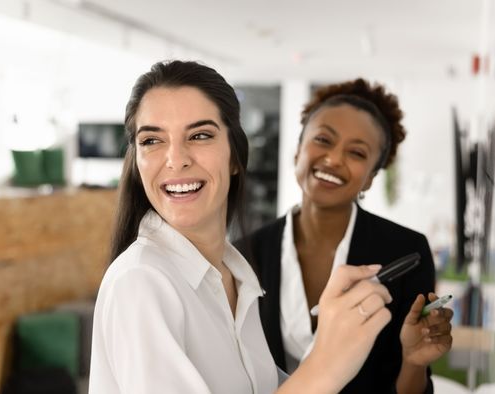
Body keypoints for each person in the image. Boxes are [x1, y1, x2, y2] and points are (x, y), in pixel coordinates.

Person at [88, 60, 394, 394]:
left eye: (200, 135)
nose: (176, 159)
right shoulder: (142, 281)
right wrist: (326, 364)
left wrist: (334, 334)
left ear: (235, 157)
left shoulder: (235, 276)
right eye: (151, 141)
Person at [236, 79, 453, 393]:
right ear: (298, 151)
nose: (334, 159)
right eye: (323, 140)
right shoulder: (246, 253)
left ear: (370, 179)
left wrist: (414, 360)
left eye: (356, 153)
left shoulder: (406, 251)